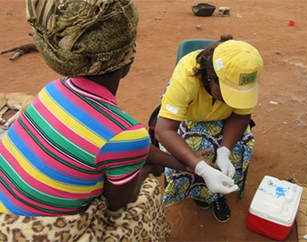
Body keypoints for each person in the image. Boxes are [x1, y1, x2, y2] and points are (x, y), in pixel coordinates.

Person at [0, 0, 212, 240]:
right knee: (146, 193)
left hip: (6, 210)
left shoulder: (53, 90)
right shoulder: (123, 133)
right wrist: (151, 169)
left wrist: (190, 163)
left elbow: (125, 147)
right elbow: (118, 202)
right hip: (48, 231)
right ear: (127, 61)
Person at [155, 35, 263, 223]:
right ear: (209, 77)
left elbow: (241, 115)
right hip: (189, 115)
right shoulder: (186, 76)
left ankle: (216, 194)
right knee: (189, 151)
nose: (232, 101)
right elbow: (165, 130)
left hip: (225, 120)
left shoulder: (243, 78)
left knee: (238, 149)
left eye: (239, 95)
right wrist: (201, 168)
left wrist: (224, 152)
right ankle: (199, 192)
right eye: (227, 92)